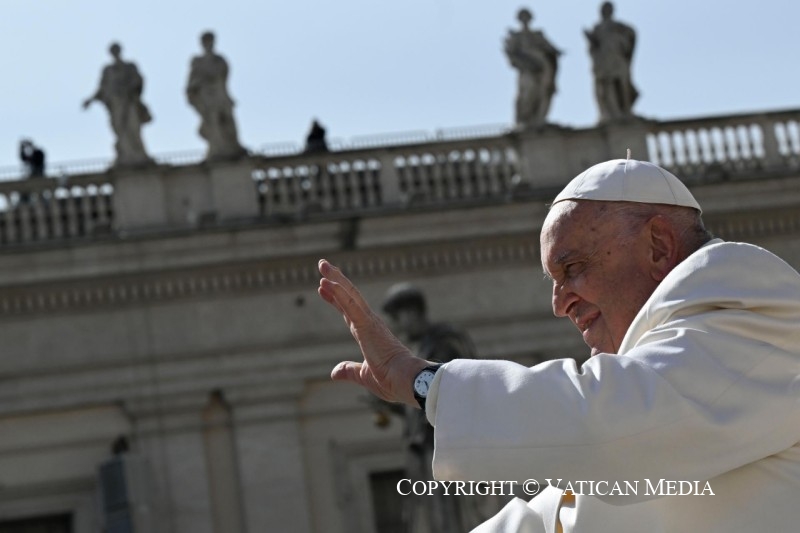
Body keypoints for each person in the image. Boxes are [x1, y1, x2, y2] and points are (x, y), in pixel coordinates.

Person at [317, 157, 800, 532]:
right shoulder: (655, 392)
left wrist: (424, 381)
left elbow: (610, 430)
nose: (558, 303)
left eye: (572, 269)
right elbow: (550, 518)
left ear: (657, 246)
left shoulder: (751, 307)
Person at [374, 283, 499, 532]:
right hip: (428, 448)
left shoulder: (443, 342)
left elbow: (448, 391)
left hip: (446, 446)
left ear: (411, 312)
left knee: (452, 514)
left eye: (398, 318)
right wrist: (396, 406)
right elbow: (424, 399)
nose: (398, 326)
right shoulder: (422, 348)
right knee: (433, 513)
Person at [83, 42, 153, 167]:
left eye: (116, 50)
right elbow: (102, 88)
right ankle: (127, 154)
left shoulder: (130, 66)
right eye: (113, 51)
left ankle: (138, 155)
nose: (115, 53)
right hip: (116, 104)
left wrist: (131, 88)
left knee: (132, 127)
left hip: (129, 102)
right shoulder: (107, 70)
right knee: (120, 129)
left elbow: (138, 80)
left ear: (120, 51)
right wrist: (90, 99)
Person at [186, 31, 247, 161]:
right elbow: (191, 84)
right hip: (207, 96)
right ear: (202, 44)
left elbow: (223, 75)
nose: (209, 44)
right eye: (206, 41)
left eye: (210, 41)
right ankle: (218, 148)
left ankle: (232, 145)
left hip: (220, 93)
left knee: (228, 119)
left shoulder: (219, 60)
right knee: (213, 120)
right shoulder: (198, 61)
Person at [503, 8, 561, 129]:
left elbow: (549, 48)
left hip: (543, 69)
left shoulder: (538, 35)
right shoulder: (516, 37)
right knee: (528, 92)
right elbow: (512, 57)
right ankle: (525, 121)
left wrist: (555, 52)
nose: (525, 19)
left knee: (543, 92)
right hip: (527, 70)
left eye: (527, 16)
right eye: (522, 17)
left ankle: (539, 119)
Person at [584, 2, 639, 123]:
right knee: (606, 86)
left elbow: (631, 36)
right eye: (604, 9)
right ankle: (611, 113)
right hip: (603, 61)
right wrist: (591, 40)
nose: (605, 11)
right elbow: (593, 48)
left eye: (608, 9)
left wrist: (621, 41)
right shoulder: (597, 28)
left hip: (616, 59)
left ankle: (625, 111)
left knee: (622, 84)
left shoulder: (620, 27)